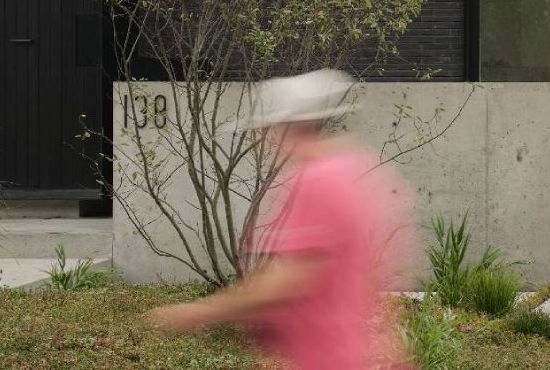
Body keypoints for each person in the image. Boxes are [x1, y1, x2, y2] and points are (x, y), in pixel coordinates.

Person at [147, 69, 407, 368]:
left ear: (284, 128)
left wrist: (201, 311)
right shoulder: (351, 168)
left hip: (328, 358)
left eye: (265, 129)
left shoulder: (316, 179)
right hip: (349, 349)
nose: (262, 139)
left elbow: (295, 279)